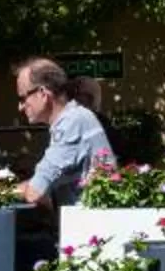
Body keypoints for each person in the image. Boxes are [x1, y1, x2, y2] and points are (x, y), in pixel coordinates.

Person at [14, 57, 114, 207]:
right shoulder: (72, 120)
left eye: (23, 98)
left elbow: (35, 192)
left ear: (42, 93)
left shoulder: (73, 123)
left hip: (90, 227)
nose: (20, 107)